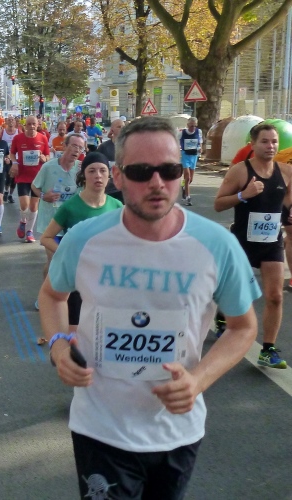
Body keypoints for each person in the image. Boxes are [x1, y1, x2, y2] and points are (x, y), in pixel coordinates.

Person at [38, 116, 260, 499]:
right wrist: (59, 347)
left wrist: (198, 381)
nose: (157, 182)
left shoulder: (217, 245)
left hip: (177, 430)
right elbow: (52, 296)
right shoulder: (84, 239)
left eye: (169, 170)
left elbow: (243, 327)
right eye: (141, 172)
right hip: (100, 428)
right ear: (119, 177)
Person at [214, 122, 292, 368]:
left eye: (274, 141)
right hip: (243, 241)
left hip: (271, 242)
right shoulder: (240, 171)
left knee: (275, 296)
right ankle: (221, 315)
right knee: (235, 292)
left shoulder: (286, 172)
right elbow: (218, 204)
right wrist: (243, 195)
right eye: (265, 141)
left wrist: (289, 212)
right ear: (253, 144)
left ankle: (268, 350)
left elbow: (287, 203)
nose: (271, 146)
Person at [39, 152, 122, 321]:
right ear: (83, 175)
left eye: (102, 170)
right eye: (91, 171)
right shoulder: (70, 207)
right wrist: (70, 255)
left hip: (107, 279)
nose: (98, 175)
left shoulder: (117, 206)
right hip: (78, 280)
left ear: (109, 175)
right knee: (75, 331)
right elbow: (46, 238)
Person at [32, 134, 85, 272]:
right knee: (54, 262)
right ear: (64, 146)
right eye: (74, 146)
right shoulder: (48, 167)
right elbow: (34, 186)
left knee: (68, 264)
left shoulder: (81, 170)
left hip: (71, 224)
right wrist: (44, 196)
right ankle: (47, 286)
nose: (77, 150)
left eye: (80, 148)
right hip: (50, 222)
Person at [10, 115, 50, 243]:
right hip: (22, 175)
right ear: (25, 125)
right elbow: (12, 153)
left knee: (33, 206)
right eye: (29, 124)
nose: (32, 126)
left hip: (37, 177)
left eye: (34, 124)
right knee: (24, 204)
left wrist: (45, 158)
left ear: (38, 125)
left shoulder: (43, 138)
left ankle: (29, 231)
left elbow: (48, 155)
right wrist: (14, 163)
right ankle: (23, 221)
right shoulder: (18, 138)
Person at [97, 118, 124, 203]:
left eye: (123, 126)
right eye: (119, 127)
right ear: (112, 130)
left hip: (126, 189)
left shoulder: (130, 146)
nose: (122, 128)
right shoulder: (104, 147)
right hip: (110, 189)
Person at [180, 117, 202, 206]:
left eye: (194, 126)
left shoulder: (198, 131)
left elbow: (200, 141)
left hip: (194, 155)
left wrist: (200, 148)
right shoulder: (182, 132)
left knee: (190, 179)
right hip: (185, 155)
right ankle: (188, 198)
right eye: (191, 126)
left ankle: (184, 187)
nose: (193, 128)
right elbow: (176, 142)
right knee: (188, 177)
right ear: (188, 125)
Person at [2, 118, 19, 203]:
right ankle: (6, 191)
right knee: (9, 176)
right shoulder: (3, 132)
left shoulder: (18, 132)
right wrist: (4, 156)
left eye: (12, 120)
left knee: (14, 178)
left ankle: (10, 195)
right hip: (6, 158)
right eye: (9, 120)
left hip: (16, 158)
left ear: (15, 122)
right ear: (6, 122)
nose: (11, 121)